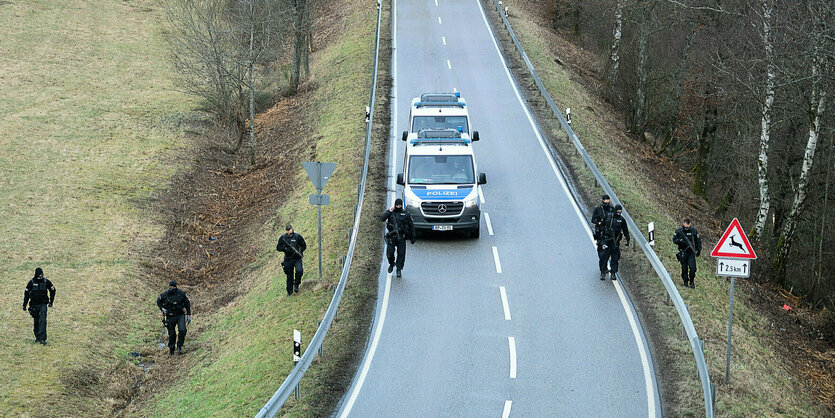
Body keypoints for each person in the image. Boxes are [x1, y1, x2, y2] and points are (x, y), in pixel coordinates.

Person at [380, 198, 416, 278]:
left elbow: (411, 225)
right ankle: (392, 263)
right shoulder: (391, 212)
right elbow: (382, 218)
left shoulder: (406, 214)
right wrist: (389, 211)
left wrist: (413, 237)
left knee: (401, 254)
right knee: (389, 253)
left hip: (401, 237)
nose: (398, 206)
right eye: (397, 205)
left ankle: (399, 269)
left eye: (400, 205)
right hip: (391, 237)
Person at [157, 280, 191, 356]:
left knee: (182, 330)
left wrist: (189, 315)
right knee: (172, 334)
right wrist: (162, 308)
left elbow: (187, 303)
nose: (171, 288)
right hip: (170, 316)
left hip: (180, 315)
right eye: (170, 287)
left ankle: (179, 346)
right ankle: (171, 350)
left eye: (172, 287)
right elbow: (158, 301)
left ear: (175, 287)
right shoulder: (165, 294)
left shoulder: (181, 294)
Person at [22, 267, 56, 345]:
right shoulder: (31, 282)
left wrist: (51, 301)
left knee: (43, 320)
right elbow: (26, 294)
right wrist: (24, 304)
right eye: (40, 274)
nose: (41, 275)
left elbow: (53, 290)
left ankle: (43, 338)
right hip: (34, 305)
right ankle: (37, 337)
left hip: (43, 304)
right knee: (36, 321)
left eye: (42, 274)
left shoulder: (46, 282)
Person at [276, 224, 306, 296]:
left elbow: (304, 246)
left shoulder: (297, 237)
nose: (288, 232)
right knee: (289, 276)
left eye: (289, 230)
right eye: (287, 231)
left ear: (292, 229)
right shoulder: (283, 238)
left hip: (297, 258)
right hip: (288, 259)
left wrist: (299, 251)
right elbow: (278, 247)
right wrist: (285, 249)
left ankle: (296, 284)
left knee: (299, 271)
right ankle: (289, 292)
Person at [673, 218, 702, 288]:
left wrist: (699, 250)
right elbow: (674, 240)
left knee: (693, 268)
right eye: (685, 225)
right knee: (684, 268)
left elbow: (698, 241)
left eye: (688, 225)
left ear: (690, 224)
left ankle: (692, 281)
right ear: (683, 224)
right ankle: (685, 282)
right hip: (683, 251)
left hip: (691, 252)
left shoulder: (693, 231)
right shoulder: (679, 231)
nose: (686, 227)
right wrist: (680, 241)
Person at [592, 195, 616, 280]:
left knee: (609, 252)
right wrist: (598, 223)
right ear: (602, 201)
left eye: (608, 201)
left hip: (609, 234)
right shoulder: (598, 209)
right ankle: (603, 270)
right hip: (600, 234)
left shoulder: (611, 209)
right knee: (602, 253)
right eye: (605, 201)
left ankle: (605, 268)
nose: (607, 203)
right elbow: (593, 220)